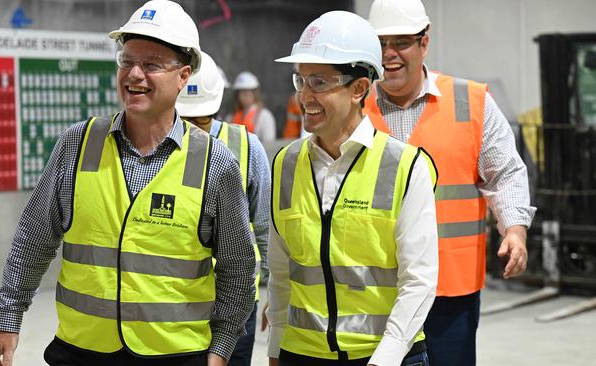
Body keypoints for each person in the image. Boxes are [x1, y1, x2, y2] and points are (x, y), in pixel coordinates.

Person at [0, 1, 255, 365]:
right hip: (82, 350)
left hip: (175, 355)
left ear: (183, 76)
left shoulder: (215, 163)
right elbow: (33, 239)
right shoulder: (77, 145)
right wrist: (8, 318)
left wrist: (221, 348)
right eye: (126, 61)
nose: (134, 75)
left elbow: (238, 267)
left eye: (151, 65)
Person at [363, 0, 536, 365]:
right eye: (380, 43)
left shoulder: (471, 102)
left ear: (424, 42)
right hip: (371, 290)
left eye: (401, 42)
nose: (389, 55)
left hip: (449, 294)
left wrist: (515, 230)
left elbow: (505, 173)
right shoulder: (353, 105)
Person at [267, 10, 439, 366]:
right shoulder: (285, 164)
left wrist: (386, 357)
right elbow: (281, 274)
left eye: (319, 82)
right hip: (302, 355)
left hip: (386, 356)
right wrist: (275, 351)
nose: (305, 97)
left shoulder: (406, 167)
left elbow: (418, 281)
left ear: (359, 88)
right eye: (301, 81)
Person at [176, 51, 271, 366]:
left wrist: (277, 293)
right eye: (184, 120)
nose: (192, 129)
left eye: (200, 119)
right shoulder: (157, 147)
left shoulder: (247, 147)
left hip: (238, 299)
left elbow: (265, 228)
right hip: (175, 303)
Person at [228, 71, 277, 143]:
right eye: (243, 92)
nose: (246, 95)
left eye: (249, 91)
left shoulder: (265, 116)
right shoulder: (231, 117)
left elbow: (270, 145)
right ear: (237, 95)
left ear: (255, 93)